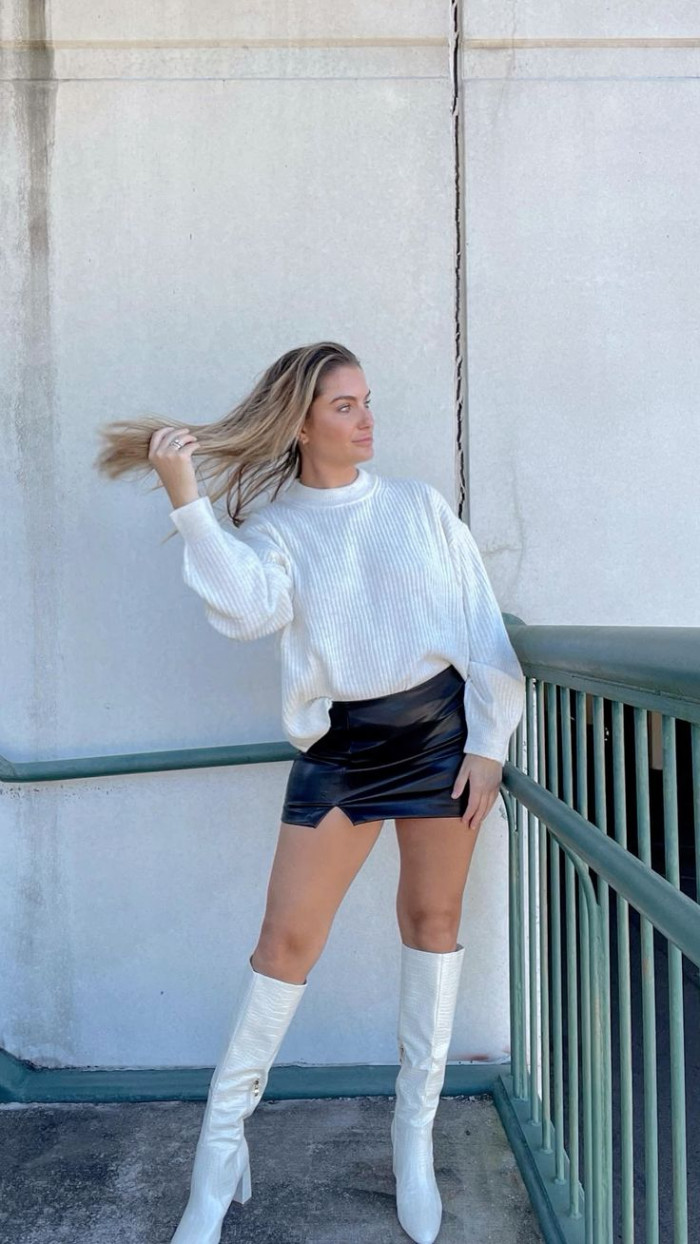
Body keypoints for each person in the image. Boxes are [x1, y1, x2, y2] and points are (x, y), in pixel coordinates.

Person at [94, 341, 525, 1244]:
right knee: (285, 940)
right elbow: (246, 610)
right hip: (344, 748)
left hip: (444, 736)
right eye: (344, 405)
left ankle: (414, 1140)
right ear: (299, 422)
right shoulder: (280, 528)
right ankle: (216, 1164)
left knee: (433, 927)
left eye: (368, 401)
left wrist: (491, 741)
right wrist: (187, 495)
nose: (366, 418)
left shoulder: (417, 506)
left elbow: (481, 621)